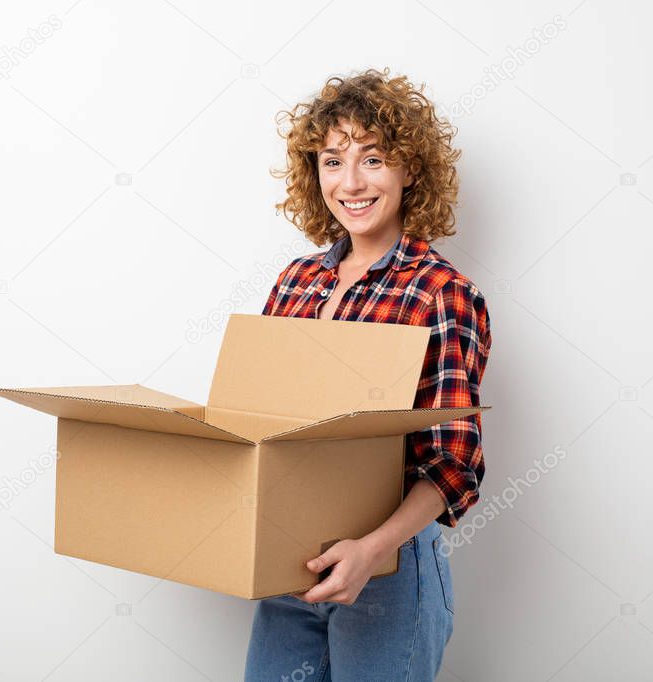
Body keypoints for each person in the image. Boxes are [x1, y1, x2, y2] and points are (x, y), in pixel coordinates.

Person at [245, 68, 492, 681]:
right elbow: (259, 419)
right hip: (289, 564)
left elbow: (452, 464)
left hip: (389, 568)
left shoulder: (440, 293)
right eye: (332, 161)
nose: (350, 182)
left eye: (373, 158)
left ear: (410, 169)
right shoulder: (296, 282)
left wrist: (370, 551)